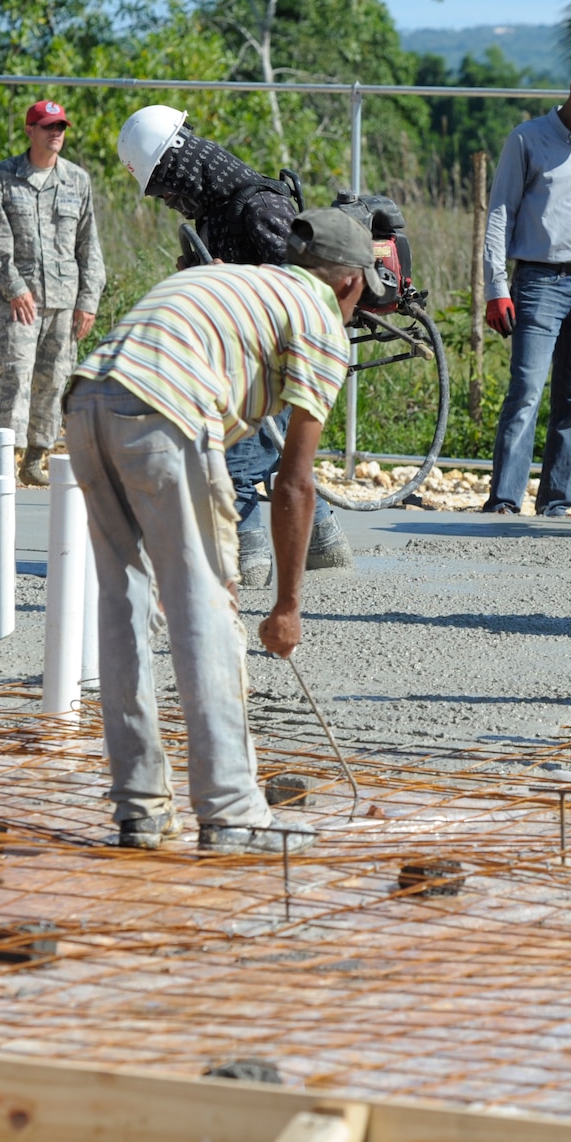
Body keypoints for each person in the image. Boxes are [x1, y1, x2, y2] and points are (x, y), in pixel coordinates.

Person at [65, 209, 374, 853]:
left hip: (88, 400)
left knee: (124, 606)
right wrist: (286, 605)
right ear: (348, 283)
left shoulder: (244, 281)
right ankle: (233, 811)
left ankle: (140, 809)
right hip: (165, 406)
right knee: (204, 606)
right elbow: (294, 482)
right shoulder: (320, 319)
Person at [115, 104, 350, 586]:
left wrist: (233, 279)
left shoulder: (258, 204)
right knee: (282, 452)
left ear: (182, 165)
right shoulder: (215, 212)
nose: (168, 200)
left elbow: (305, 285)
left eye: (165, 186)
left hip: (281, 354)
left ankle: (248, 558)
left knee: (241, 454)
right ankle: (323, 544)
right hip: (245, 357)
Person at [482, 56, 571, 517]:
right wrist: (495, 286)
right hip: (540, 282)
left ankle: (555, 503)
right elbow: (500, 212)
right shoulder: (527, 139)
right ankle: (505, 500)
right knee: (526, 390)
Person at [0, 99, 105, 487]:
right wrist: (15, 289)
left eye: (61, 127)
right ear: (30, 130)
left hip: (64, 303)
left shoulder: (76, 180)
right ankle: (6, 456)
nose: (57, 133)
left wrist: (88, 301)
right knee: (15, 373)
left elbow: (89, 247)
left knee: (54, 379)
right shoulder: (2, 177)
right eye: (49, 126)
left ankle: (35, 458)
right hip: (19, 301)